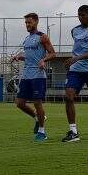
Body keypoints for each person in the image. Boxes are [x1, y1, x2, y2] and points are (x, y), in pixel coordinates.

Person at [62, 5, 88, 143]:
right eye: (79, 15)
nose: (81, 17)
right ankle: (73, 132)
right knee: (68, 97)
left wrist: (76, 58)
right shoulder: (74, 30)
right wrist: (74, 61)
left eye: (83, 15)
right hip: (75, 70)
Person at [13, 12, 56, 142]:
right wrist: (20, 57)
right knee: (19, 103)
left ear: (36, 22)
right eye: (26, 22)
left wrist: (44, 60)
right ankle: (37, 117)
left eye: (29, 22)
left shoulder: (42, 37)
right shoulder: (26, 39)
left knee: (37, 103)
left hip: (38, 75)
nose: (27, 24)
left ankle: (42, 132)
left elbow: (53, 53)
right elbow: (29, 56)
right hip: (26, 75)